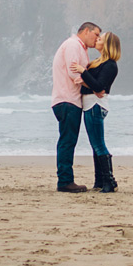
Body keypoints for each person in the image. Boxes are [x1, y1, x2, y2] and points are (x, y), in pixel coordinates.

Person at [50, 21, 100, 192]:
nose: (97, 39)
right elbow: (73, 72)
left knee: (68, 140)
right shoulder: (73, 45)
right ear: (86, 31)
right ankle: (65, 181)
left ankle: (65, 179)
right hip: (67, 100)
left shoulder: (79, 47)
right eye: (96, 34)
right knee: (67, 140)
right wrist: (94, 84)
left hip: (68, 99)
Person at [72, 31, 120, 193]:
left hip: (95, 105)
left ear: (107, 45)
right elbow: (95, 85)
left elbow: (99, 87)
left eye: (100, 39)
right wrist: (85, 82)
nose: (97, 40)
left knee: (98, 144)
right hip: (90, 104)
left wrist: (82, 72)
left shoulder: (110, 65)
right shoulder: (98, 62)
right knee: (95, 145)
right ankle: (100, 180)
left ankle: (109, 181)